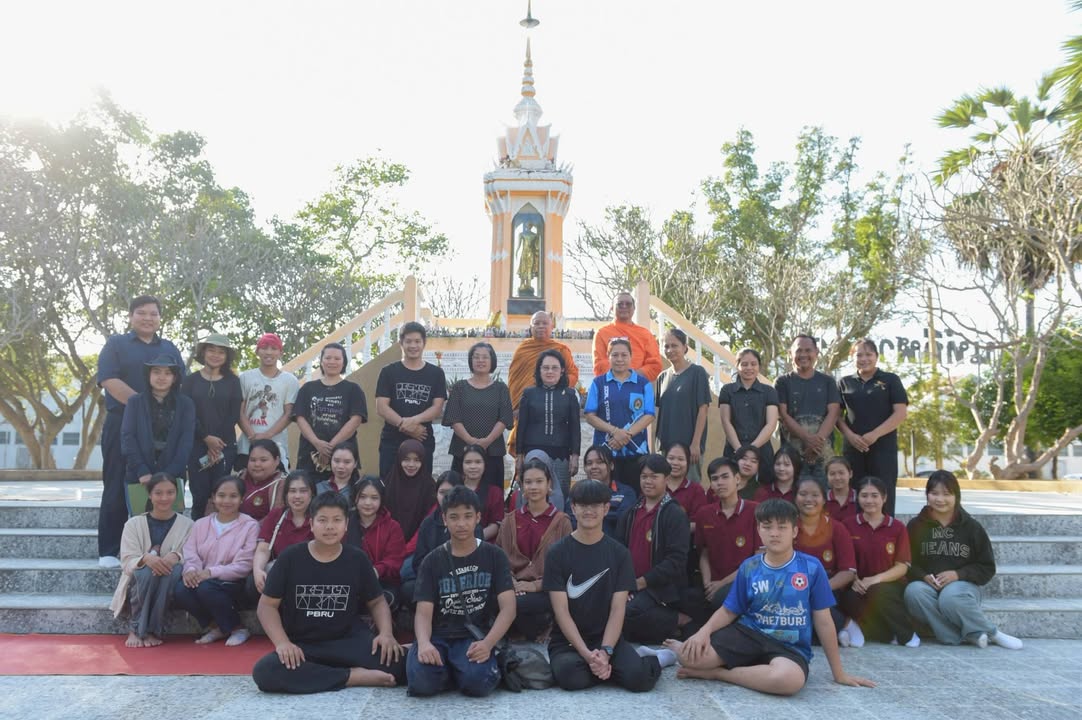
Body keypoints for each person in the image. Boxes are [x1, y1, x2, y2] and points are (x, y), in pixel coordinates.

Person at [665, 498, 875, 695]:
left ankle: (720, 674)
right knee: (688, 657)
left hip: (789, 645)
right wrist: (703, 632)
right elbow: (729, 610)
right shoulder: (750, 567)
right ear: (759, 530)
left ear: (794, 531)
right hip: (749, 634)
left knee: (788, 681)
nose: (774, 533)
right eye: (767, 527)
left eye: (782, 527)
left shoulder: (811, 568)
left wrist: (839, 673)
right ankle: (745, 668)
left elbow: (824, 621)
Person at [252, 492, 406, 693]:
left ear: (346, 524)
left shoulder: (357, 559)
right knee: (266, 672)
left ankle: (324, 675)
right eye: (323, 520)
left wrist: (386, 633)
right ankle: (351, 676)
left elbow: (377, 601)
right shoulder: (290, 558)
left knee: (400, 665)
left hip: (349, 641)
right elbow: (266, 606)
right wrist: (282, 644)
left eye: (337, 520)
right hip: (306, 645)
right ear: (311, 523)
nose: (330, 527)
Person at [543, 479, 665, 692]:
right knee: (571, 678)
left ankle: (653, 658)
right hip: (568, 643)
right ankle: (603, 669)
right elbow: (561, 611)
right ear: (573, 508)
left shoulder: (620, 554)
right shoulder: (557, 553)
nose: (589, 511)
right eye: (583, 505)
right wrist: (587, 654)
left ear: (606, 508)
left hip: (608, 638)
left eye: (595, 505)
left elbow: (618, 609)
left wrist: (606, 652)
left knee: (638, 679)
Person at [97, 295, 186, 567]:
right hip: (121, 422)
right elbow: (109, 380)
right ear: (130, 316)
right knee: (116, 483)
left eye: (153, 313)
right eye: (141, 313)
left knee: (161, 482)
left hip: (164, 427)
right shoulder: (116, 344)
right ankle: (110, 549)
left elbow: (179, 384)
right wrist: (143, 407)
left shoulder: (169, 348)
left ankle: (159, 547)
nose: (148, 318)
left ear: (160, 318)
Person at [407, 486, 516, 698]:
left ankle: (456, 671)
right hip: (438, 634)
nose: (461, 524)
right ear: (444, 519)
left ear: (478, 517)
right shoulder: (432, 561)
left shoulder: (495, 556)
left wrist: (488, 644)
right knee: (420, 683)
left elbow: (509, 608)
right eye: (454, 517)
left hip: (473, 635)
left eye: (467, 516)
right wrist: (424, 644)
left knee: (479, 683)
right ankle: (452, 670)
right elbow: (423, 613)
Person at [904, 471, 1022, 650]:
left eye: (946, 494)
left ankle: (993, 633)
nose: (940, 499)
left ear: (956, 496)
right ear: (927, 495)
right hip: (928, 586)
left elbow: (987, 567)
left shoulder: (972, 527)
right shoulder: (915, 526)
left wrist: (958, 575)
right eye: (934, 493)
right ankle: (964, 635)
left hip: (962, 589)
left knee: (950, 597)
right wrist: (923, 576)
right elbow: (907, 563)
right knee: (913, 592)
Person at [110, 473, 194, 648]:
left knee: (172, 571)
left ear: (177, 494)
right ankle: (136, 629)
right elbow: (127, 562)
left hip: (170, 577)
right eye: (158, 493)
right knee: (146, 573)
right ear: (149, 494)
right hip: (140, 578)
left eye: (170, 492)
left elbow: (192, 554)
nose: (164, 498)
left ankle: (152, 630)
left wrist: (176, 556)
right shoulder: (133, 524)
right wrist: (146, 559)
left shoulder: (188, 525)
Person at [174, 475, 259, 646]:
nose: (226, 501)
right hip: (204, 579)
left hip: (234, 582)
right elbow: (191, 553)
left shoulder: (250, 525)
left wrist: (210, 572)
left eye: (233, 496)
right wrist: (191, 571)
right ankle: (217, 627)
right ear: (213, 497)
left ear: (242, 498)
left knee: (206, 588)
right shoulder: (200, 524)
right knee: (181, 590)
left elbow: (244, 565)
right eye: (221, 495)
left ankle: (238, 628)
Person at [614, 454, 690, 644]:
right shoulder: (631, 512)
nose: (648, 481)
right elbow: (618, 551)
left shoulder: (674, 514)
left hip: (659, 587)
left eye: (654, 476)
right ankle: (663, 630)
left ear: (666, 479)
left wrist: (641, 582)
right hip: (630, 583)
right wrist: (624, 582)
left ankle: (677, 620)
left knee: (628, 613)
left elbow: (676, 561)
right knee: (606, 607)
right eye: (644, 476)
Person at [495, 457, 572, 642]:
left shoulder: (562, 522)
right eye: (528, 482)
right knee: (498, 600)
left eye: (539, 481)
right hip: (513, 587)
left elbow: (567, 569)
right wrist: (512, 583)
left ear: (549, 484)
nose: (534, 487)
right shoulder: (510, 520)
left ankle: (546, 626)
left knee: (521, 604)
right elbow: (499, 559)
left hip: (547, 590)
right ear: (522, 485)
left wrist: (534, 586)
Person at [840, 476, 919, 648]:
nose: (869, 500)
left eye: (874, 495)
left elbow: (902, 566)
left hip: (889, 584)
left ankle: (907, 634)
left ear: (884, 498)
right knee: (848, 597)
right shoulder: (847, 525)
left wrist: (875, 580)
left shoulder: (897, 527)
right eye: (864, 495)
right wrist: (854, 580)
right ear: (857, 498)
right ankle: (885, 635)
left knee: (877, 590)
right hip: (858, 582)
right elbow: (844, 560)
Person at [838, 338, 908, 516]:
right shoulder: (844, 382)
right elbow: (836, 416)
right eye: (859, 355)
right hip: (853, 449)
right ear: (852, 357)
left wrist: (875, 434)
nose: (864, 359)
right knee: (853, 495)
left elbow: (900, 413)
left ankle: (885, 531)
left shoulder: (891, 380)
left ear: (876, 356)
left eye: (868, 354)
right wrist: (850, 436)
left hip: (883, 449)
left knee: (883, 493)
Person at [120, 354, 195, 509]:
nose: (162, 377)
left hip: (173, 475)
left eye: (168, 373)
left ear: (174, 378)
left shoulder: (186, 404)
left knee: (172, 520)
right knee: (140, 521)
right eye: (156, 372)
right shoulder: (135, 402)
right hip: (139, 475)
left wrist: (168, 475)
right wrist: (141, 470)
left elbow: (186, 442)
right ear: (149, 375)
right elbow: (128, 437)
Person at [181, 333, 242, 521]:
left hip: (225, 446)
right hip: (197, 445)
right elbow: (187, 414)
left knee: (221, 496)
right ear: (203, 352)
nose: (215, 355)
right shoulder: (190, 381)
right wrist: (206, 438)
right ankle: (197, 533)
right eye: (211, 350)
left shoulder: (233, 381)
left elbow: (233, 414)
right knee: (199, 495)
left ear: (227, 356)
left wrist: (216, 444)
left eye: (221, 352)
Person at [375, 321, 448, 478]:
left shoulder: (436, 373)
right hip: (392, 439)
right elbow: (381, 407)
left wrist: (413, 422)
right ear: (401, 343)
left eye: (417, 341)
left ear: (424, 343)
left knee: (421, 485)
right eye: (408, 341)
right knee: (388, 483)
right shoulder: (388, 372)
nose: (413, 345)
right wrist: (403, 424)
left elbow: (437, 407)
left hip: (422, 436)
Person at [584, 338, 656, 495]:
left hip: (636, 452)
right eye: (615, 355)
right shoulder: (598, 383)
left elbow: (649, 415)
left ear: (631, 356)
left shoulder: (643, 384)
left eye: (624, 355)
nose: (619, 359)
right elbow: (590, 415)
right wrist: (615, 431)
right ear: (608, 357)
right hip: (605, 453)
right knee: (604, 496)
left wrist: (625, 435)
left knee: (636, 496)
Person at [792, 477, 858, 641]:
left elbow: (848, 572)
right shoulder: (787, 527)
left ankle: (841, 625)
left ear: (823, 499)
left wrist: (819, 588)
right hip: (794, 584)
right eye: (803, 494)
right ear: (795, 498)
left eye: (815, 495)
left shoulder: (837, 528)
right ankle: (839, 627)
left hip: (829, 587)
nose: (809, 499)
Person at [693, 457, 759, 617]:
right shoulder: (704, 514)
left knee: (721, 599)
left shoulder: (755, 511)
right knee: (687, 599)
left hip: (745, 582)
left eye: (725, 477)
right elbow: (704, 553)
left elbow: (758, 559)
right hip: (713, 583)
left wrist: (721, 585)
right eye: (715, 479)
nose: (720, 483)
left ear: (737, 479)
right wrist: (708, 584)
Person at [506, 311, 579, 456]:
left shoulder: (561, 350)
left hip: (554, 408)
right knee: (525, 455)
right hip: (526, 410)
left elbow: (573, 375)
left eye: (545, 323)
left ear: (552, 327)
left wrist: (555, 387)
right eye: (536, 323)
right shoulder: (522, 350)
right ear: (530, 327)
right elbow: (514, 380)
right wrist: (516, 407)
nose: (540, 326)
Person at [405, 471, 484, 605]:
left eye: (451, 492)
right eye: (442, 492)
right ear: (436, 494)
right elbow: (418, 561)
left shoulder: (472, 525)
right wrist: (437, 578)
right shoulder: (428, 523)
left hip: (466, 581)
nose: (447, 497)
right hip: (435, 580)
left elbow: (479, 560)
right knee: (408, 589)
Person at [443, 342, 513, 491]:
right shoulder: (460, 387)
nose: (481, 360)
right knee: (460, 495)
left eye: (485, 357)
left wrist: (487, 441)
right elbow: (454, 418)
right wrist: (470, 441)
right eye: (476, 357)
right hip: (462, 450)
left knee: (492, 495)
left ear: (492, 361)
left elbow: (504, 419)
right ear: (471, 360)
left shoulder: (501, 389)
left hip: (492, 451)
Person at [293, 343, 367, 483]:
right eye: (328, 358)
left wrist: (330, 447)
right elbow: (300, 418)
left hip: (343, 457)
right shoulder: (307, 388)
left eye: (337, 358)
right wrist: (317, 443)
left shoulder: (353, 389)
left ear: (344, 362)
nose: (332, 362)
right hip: (309, 455)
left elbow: (355, 420)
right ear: (321, 361)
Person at [516, 349, 581, 501]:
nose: (550, 371)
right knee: (533, 494)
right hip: (533, 453)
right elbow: (521, 426)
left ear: (562, 370)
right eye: (545, 368)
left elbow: (575, 428)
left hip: (561, 454)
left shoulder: (570, 395)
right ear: (539, 370)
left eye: (554, 368)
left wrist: (575, 456)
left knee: (560, 495)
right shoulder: (529, 394)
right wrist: (519, 456)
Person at [775, 335, 841, 482]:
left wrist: (816, 442)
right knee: (794, 493)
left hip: (823, 454)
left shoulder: (828, 381)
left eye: (808, 350)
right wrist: (807, 438)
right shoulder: (782, 382)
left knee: (822, 493)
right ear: (790, 353)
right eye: (798, 350)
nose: (803, 355)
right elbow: (783, 414)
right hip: (792, 458)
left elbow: (834, 413)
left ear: (816, 352)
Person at [247, 470, 316, 605]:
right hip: (280, 570)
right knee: (252, 584)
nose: (297, 496)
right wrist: (258, 570)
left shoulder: (320, 517)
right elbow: (263, 549)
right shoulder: (276, 515)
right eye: (292, 491)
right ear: (286, 494)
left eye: (303, 491)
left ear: (312, 494)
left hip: (310, 573)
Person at [654, 329, 711, 481]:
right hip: (665, 446)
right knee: (664, 488)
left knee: (690, 488)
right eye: (666, 346)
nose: (670, 350)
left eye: (674, 345)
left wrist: (696, 443)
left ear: (685, 347)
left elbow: (703, 409)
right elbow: (660, 413)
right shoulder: (662, 377)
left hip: (689, 446)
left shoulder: (697, 373)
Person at [237, 332, 299, 470]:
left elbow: (289, 413)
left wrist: (267, 435)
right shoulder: (246, 377)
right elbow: (239, 412)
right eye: (264, 348)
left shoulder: (290, 381)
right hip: (246, 447)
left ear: (280, 353)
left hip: (277, 446)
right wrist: (252, 436)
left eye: (274, 348)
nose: (269, 352)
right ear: (257, 351)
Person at [718, 348, 779, 486]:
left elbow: (771, 424)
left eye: (753, 364)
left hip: (762, 451)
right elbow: (726, 421)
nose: (749, 368)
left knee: (762, 491)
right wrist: (740, 450)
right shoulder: (727, 390)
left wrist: (751, 450)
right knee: (732, 488)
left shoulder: (769, 391)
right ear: (737, 366)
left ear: (759, 366)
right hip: (734, 450)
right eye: (744, 364)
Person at [345, 477, 406, 608]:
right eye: (362, 497)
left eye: (374, 498)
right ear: (355, 498)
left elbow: (394, 560)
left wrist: (376, 571)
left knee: (388, 599)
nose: (368, 502)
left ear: (382, 500)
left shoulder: (392, 527)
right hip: (348, 580)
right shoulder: (345, 523)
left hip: (382, 582)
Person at [592, 292, 663, 382]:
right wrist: (621, 376)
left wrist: (632, 376)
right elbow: (599, 366)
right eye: (620, 304)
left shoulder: (645, 334)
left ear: (634, 308)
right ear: (612, 308)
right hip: (610, 385)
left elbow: (655, 365)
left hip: (638, 385)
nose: (624, 307)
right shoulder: (602, 333)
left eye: (628, 304)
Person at [384, 439, 438, 549]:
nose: (411, 465)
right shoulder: (389, 485)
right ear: (399, 460)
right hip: (389, 546)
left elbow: (429, 523)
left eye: (417, 460)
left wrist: (408, 549)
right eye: (406, 459)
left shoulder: (430, 488)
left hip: (421, 547)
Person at [581, 444, 636, 537]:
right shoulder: (578, 493)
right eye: (589, 463)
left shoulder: (626, 493)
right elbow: (573, 519)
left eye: (599, 462)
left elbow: (623, 520)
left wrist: (588, 515)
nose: (594, 466)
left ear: (611, 465)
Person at [460, 444, 505, 541]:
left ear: (485, 464)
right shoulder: (455, 491)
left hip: (484, 543)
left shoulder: (495, 492)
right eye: (468, 462)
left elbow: (496, 524)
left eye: (478, 462)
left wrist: (474, 540)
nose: (473, 466)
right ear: (462, 465)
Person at [237, 439, 287, 521]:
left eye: (263, 460)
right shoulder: (240, 476)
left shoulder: (282, 484)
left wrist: (251, 527)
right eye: (253, 460)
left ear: (277, 461)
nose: (257, 464)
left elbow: (275, 517)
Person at [664, 443, 709, 529]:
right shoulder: (656, 486)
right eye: (671, 458)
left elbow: (699, 523)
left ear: (688, 462)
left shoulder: (696, 490)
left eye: (681, 459)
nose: (675, 463)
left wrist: (672, 530)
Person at [824, 456, 858, 523]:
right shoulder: (822, 499)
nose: (837, 478)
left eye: (841, 473)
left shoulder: (859, 497)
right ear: (827, 476)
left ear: (850, 474)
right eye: (832, 474)